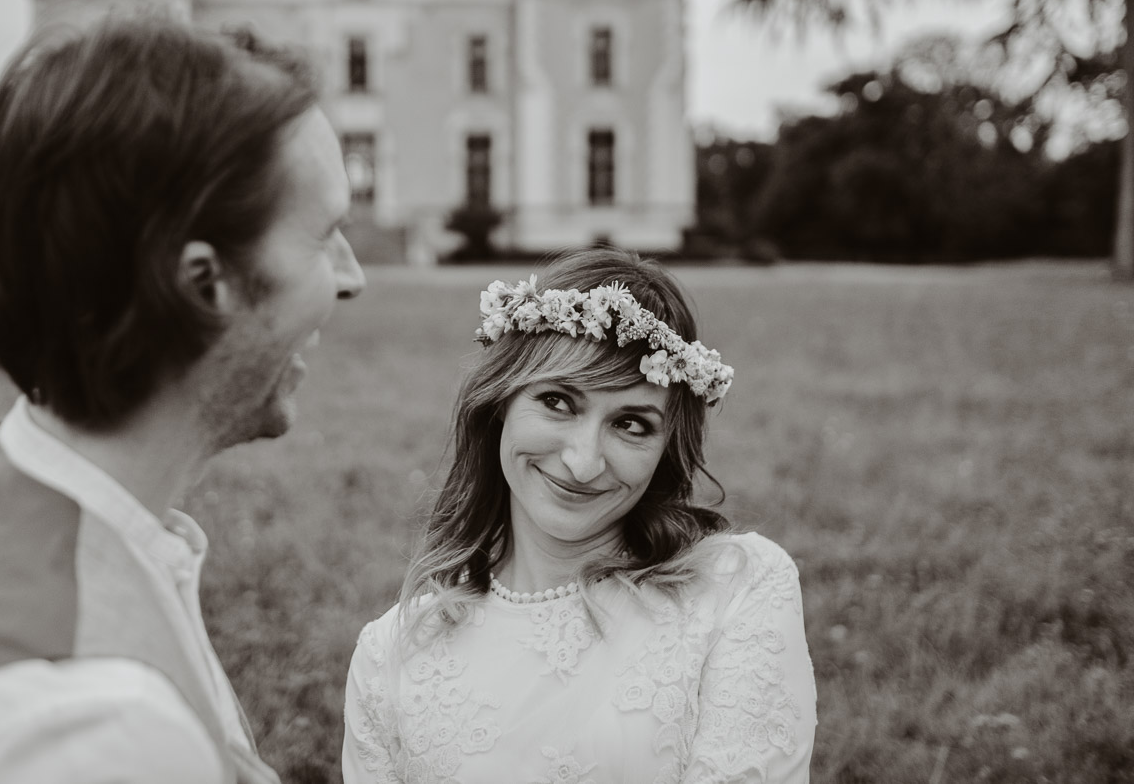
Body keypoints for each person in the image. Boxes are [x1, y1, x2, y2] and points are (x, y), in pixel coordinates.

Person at [0, 14, 365, 784]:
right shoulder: (86, 730)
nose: (351, 276)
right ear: (203, 284)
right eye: (324, 234)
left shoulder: (19, 477)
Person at [342, 248, 815, 783]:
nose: (583, 462)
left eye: (631, 424)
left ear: (666, 448)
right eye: (559, 402)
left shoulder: (736, 590)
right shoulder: (391, 657)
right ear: (500, 402)